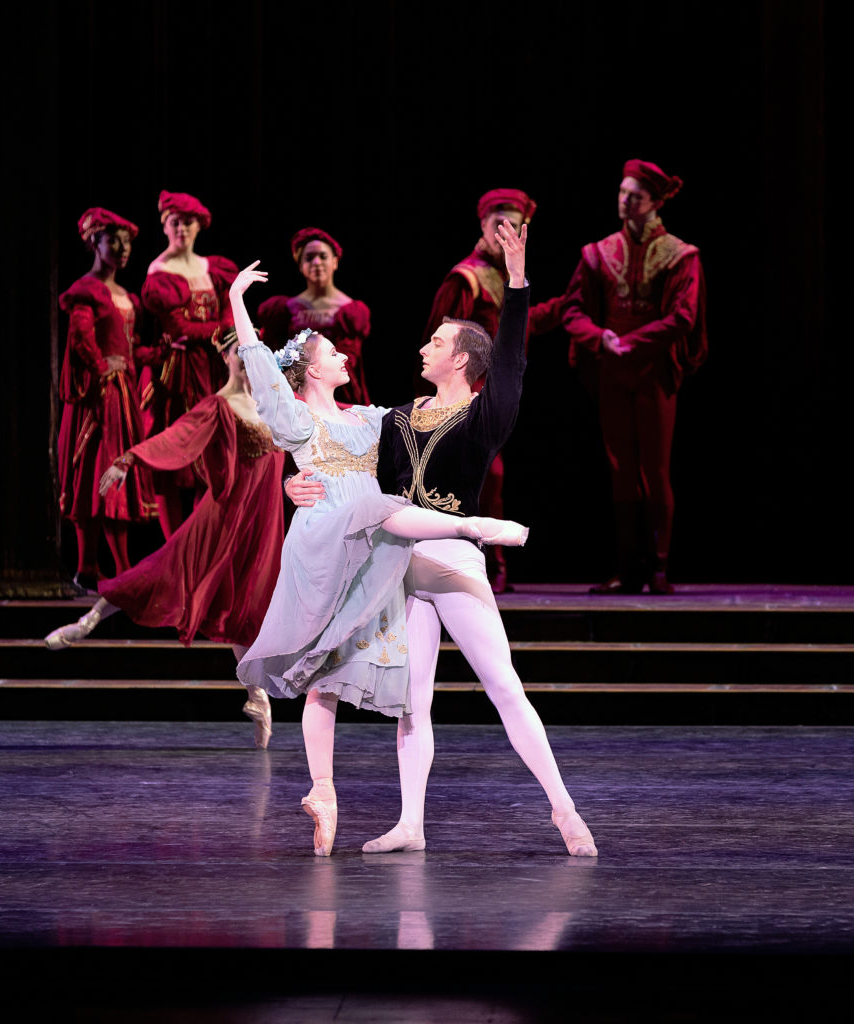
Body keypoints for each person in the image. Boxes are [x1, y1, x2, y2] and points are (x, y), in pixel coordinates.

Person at [288, 219, 598, 858]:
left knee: (505, 687)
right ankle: (411, 823)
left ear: (460, 358)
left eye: (436, 341)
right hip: (400, 563)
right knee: (412, 704)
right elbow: (347, 472)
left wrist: (517, 282)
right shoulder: (397, 416)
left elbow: (511, 359)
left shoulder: (485, 414)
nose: (423, 346)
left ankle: (565, 812)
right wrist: (300, 488)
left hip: (455, 561)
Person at [229, 254, 529, 857]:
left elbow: (411, 434)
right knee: (380, 509)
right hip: (327, 541)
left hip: (369, 550)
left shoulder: (370, 420)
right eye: (333, 354)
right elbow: (261, 371)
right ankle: (472, 525)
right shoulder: (295, 419)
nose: (345, 357)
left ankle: (325, 796)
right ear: (310, 371)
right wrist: (237, 301)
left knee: (325, 678)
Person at [44, 330, 287, 749]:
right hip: (222, 520)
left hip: (262, 526)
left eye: (255, 354)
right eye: (240, 354)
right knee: (159, 573)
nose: (248, 361)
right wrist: (129, 459)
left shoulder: (277, 404)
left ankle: (257, 698)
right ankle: (86, 623)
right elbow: (177, 438)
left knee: (245, 609)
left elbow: (325, 417)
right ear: (226, 357)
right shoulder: (218, 406)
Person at [533, 159, 707, 594]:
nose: (625, 201)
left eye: (635, 195)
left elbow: (684, 315)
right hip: (613, 366)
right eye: (622, 192)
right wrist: (601, 339)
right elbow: (573, 309)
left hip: (653, 369)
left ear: (655, 202)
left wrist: (635, 340)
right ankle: (630, 568)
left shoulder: (680, 254)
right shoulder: (599, 252)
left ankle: (660, 566)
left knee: (655, 466)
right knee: (621, 467)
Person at [419, 188, 537, 593]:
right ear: (483, 227)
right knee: (485, 475)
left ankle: (490, 559)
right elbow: (440, 335)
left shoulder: (506, 274)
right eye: (496, 225)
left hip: (497, 390)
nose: (503, 233)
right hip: (467, 394)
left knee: (493, 476)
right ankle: (481, 556)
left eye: (512, 226)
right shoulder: (466, 277)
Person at [57, 207, 157, 592]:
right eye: (112, 240)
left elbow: (128, 348)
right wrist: (102, 366)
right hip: (99, 397)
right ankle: (97, 566)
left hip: (123, 395)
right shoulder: (87, 291)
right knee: (94, 476)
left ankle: (107, 567)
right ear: (93, 243)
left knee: (116, 475)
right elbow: (80, 338)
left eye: (126, 241)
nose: (121, 247)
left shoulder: (125, 295)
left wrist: (153, 354)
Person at [140, 190, 240, 538]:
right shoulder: (160, 270)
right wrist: (220, 331)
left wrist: (228, 330)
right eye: (175, 222)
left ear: (199, 227)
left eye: (188, 222)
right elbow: (178, 327)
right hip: (179, 373)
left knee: (209, 455)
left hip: (215, 370)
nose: (182, 228)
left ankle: (200, 538)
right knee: (175, 452)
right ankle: (173, 543)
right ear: (165, 227)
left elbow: (227, 311)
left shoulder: (212, 268)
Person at [255, 227, 372, 406]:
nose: (316, 262)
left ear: (335, 262)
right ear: (300, 265)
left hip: (340, 394)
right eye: (309, 258)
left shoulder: (351, 312)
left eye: (323, 256)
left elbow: (350, 360)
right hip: (297, 395)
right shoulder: (283, 309)